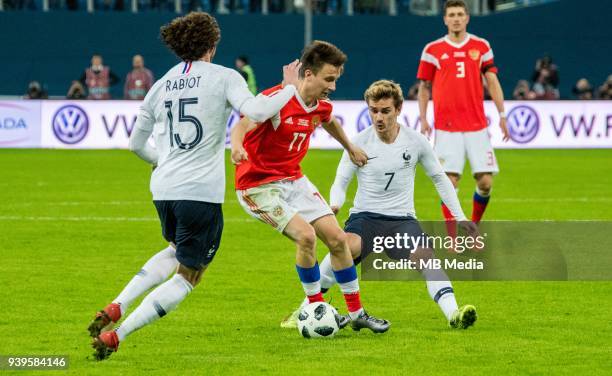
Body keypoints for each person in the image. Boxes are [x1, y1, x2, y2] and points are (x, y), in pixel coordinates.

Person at [88, 11, 301, 361]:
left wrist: (163, 161)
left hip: (163, 190)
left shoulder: (161, 84)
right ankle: (117, 335)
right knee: (189, 275)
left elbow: (135, 144)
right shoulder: (223, 76)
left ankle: (117, 305)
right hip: (199, 192)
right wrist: (290, 86)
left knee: (175, 249)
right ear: (212, 46)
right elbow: (257, 111)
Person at [283, 80, 479, 329]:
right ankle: (304, 310)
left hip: (401, 221)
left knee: (427, 259)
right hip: (365, 218)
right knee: (342, 250)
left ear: (397, 109)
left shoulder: (416, 141)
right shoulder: (358, 142)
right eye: (373, 110)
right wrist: (335, 203)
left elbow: (440, 178)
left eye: (385, 111)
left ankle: (454, 314)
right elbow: (341, 180)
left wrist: (459, 216)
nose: (378, 117)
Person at [231, 40, 390, 333]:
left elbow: (328, 120)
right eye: (328, 79)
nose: (333, 86)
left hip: (294, 179)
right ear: (308, 75)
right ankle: (316, 308)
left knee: (338, 240)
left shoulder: (321, 105)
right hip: (258, 186)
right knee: (306, 237)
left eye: (335, 79)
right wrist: (237, 146)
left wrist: (350, 146)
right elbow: (243, 124)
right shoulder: (277, 98)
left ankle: (357, 314)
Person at [417, 0, 509, 231]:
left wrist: (502, 114)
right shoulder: (432, 50)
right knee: (450, 182)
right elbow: (424, 86)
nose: (456, 18)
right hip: (447, 126)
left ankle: (473, 228)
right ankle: (452, 236)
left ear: (467, 18)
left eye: (460, 14)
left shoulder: (481, 46)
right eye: (452, 14)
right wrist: (424, 117)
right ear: (445, 19)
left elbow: (492, 81)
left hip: (476, 124)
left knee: (486, 183)